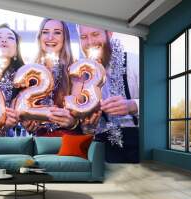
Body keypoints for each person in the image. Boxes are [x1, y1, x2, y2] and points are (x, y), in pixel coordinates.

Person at [78, 25, 139, 163]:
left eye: (95, 34)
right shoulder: (82, 77)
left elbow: (159, 103)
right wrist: (88, 126)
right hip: (103, 147)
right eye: (83, 37)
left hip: (137, 143)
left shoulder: (134, 63)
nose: (90, 42)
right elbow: (87, 129)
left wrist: (132, 105)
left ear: (109, 33)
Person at [22, 19, 82, 137]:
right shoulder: (29, 72)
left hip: (68, 141)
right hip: (39, 143)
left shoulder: (75, 70)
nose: (50, 37)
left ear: (65, 38)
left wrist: (72, 122)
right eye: (45, 32)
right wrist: (26, 121)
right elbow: (23, 109)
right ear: (39, 37)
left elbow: (81, 115)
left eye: (57, 32)